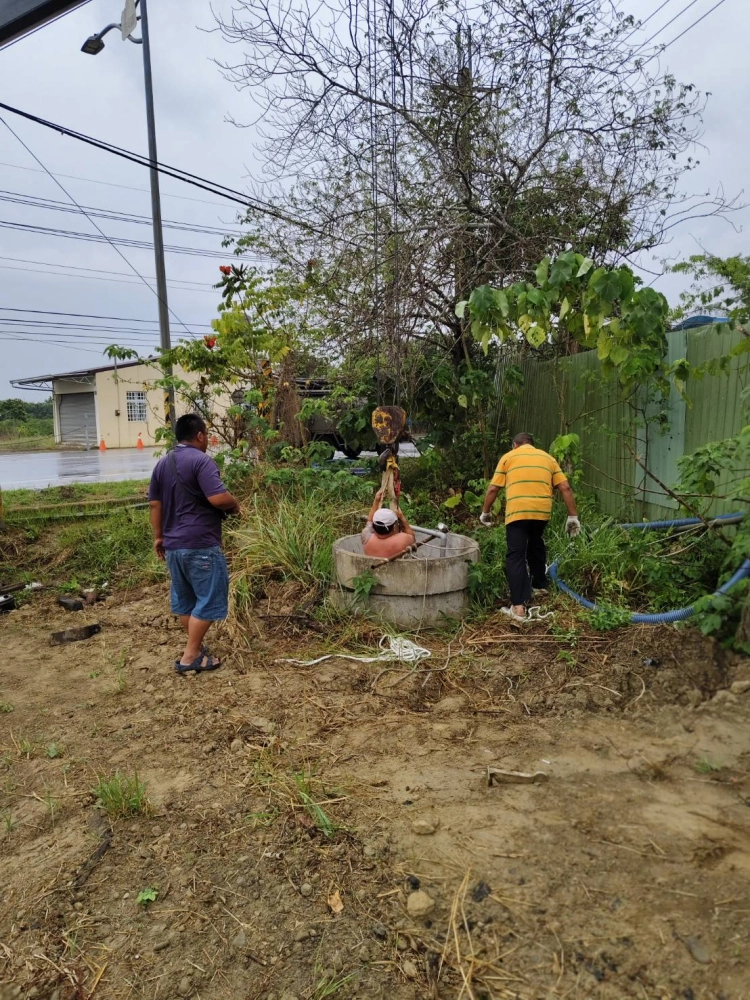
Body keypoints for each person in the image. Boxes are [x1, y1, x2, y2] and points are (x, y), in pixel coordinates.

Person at [148, 414, 240, 673]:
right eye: (206, 435)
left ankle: (196, 648)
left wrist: (158, 536)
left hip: (174, 546)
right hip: (200, 543)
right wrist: (235, 504)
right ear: (199, 435)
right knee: (209, 599)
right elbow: (218, 498)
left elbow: (155, 504)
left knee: (186, 599)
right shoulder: (201, 461)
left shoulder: (163, 463)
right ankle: (189, 657)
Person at [479, 432, 581, 622]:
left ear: (515, 445)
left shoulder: (509, 457)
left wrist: (485, 512)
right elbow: (565, 487)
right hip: (541, 513)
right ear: (532, 445)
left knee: (516, 554)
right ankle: (539, 586)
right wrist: (572, 516)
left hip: (518, 512)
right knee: (535, 543)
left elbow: (493, 488)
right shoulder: (548, 458)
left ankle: (518, 607)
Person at [361, 488, 416, 558]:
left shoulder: (366, 536)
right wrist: (402, 517)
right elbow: (412, 536)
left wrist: (376, 500)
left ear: (374, 526)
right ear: (393, 527)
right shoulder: (402, 540)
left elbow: (369, 522)